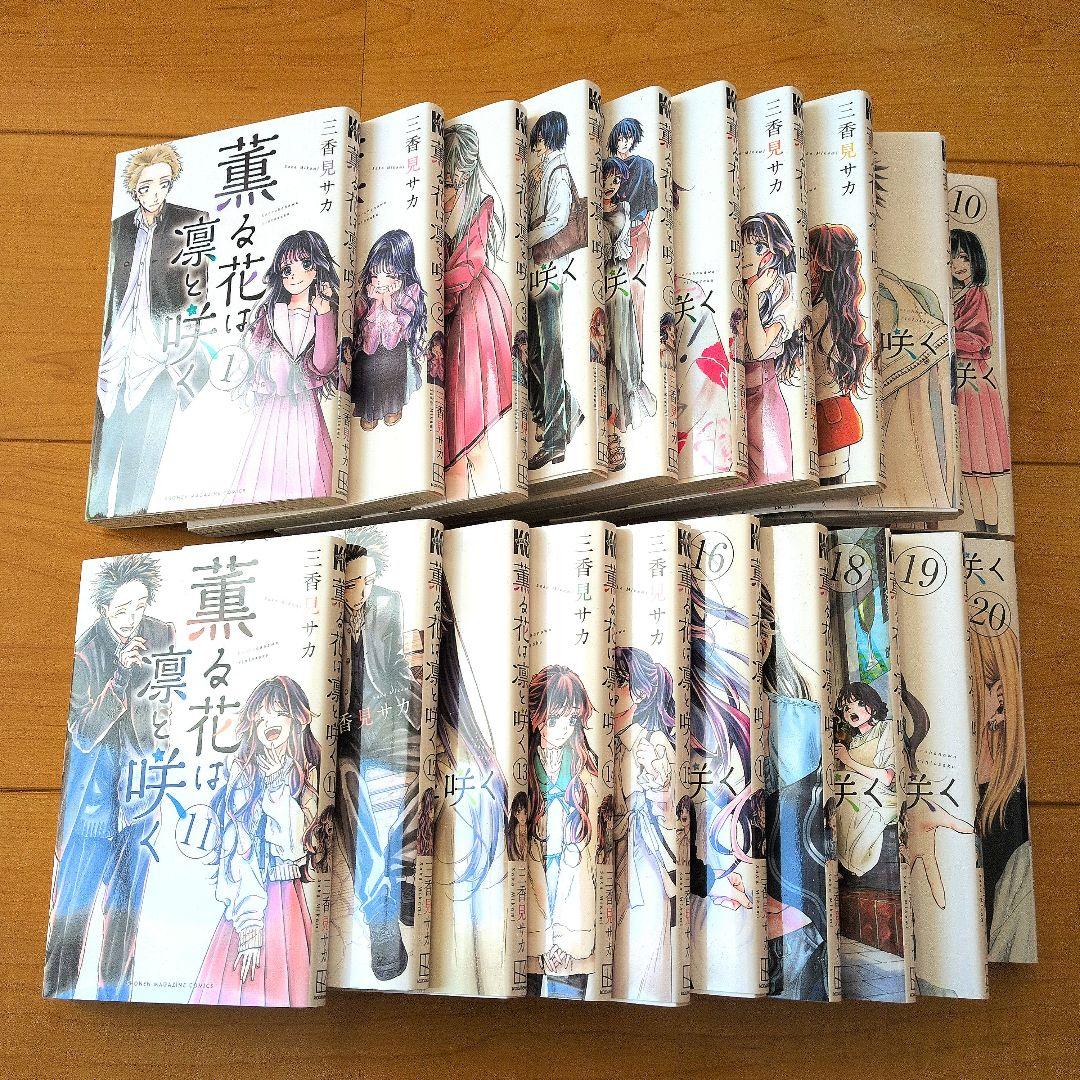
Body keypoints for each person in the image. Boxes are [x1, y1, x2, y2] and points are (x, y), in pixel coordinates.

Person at [44, 555, 173, 1000]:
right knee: (69, 923)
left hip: (139, 803)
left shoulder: (160, 634)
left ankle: (116, 1002)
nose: (133, 617)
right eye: (122, 609)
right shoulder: (85, 651)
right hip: (92, 808)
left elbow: (168, 706)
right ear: (102, 609)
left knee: (125, 924)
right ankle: (60, 997)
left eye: (140, 605)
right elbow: (84, 734)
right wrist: (121, 677)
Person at [192, 677, 331, 1006]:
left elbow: (297, 846)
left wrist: (278, 785)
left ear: (297, 719)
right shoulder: (243, 775)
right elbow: (238, 853)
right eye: (261, 717)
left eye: (280, 713)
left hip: (288, 897)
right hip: (249, 904)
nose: (270, 723)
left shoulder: (309, 773)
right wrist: (250, 928)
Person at [87, 143, 210, 518]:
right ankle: (100, 511)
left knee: (142, 463)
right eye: (146, 187)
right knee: (103, 454)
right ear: (133, 189)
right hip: (115, 354)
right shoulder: (118, 228)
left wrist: (179, 346)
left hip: (161, 356)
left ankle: (130, 516)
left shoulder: (191, 221)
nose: (156, 194)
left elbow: (198, 295)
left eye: (163, 184)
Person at [334, 529, 422, 982]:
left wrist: (416, 706)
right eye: (353, 583)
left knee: (420, 773)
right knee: (352, 795)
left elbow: (398, 666)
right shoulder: (323, 608)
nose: (363, 591)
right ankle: (380, 914)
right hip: (341, 734)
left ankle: (403, 871)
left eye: (369, 581)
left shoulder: (387, 603)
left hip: (385, 718)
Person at [229, 230, 339, 503]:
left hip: (306, 405)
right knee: (264, 473)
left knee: (312, 477)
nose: (295, 275)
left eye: (306, 264)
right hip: (272, 406)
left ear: (318, 266)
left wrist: (324, 314)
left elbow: (324, 365)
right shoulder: (269, 313)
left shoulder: (324, 312)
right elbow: (252, 358)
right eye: (287, 269)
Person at [442, 123, 515, 498]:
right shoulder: (434, 195)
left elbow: (469, 262)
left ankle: (492, 506)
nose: (454, 178)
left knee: (470, 432)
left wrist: (439, 299)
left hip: (472, 314)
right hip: (449, 312)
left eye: (460, 170)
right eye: (450, 169)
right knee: (452, 440)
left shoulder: (480, 204)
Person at [526, 664, 599, 998]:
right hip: (536, 878)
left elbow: (591, 858)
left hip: (574, 886)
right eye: (554, 719)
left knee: (568, 1006)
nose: (564, 729)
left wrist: (567, 941)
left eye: (572, 720)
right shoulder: (524, 767)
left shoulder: (585, 769)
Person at [611, 646, 678, 1002]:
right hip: (612, 857)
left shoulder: (652, 746)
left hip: (643, 862)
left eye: (617, 682)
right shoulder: (607, 742)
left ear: (639, 692)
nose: (610, 691)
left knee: (643, 960)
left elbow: (671, 818)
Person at [526, 111, 585, 471]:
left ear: (545, 139)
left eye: (537, 141)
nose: (535, 147)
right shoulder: (547, 170)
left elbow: (557, 219)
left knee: (549, 353)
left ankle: (555, 441)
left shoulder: (558, 171)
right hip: (541, 272)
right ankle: (571, 411)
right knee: (537, 351)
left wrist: (525, 239)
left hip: (550, 272)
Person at [951, 227, 1011, 532]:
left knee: (982, 468)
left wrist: (946, 336)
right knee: (971, 470)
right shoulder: (957, 295)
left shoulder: (976, 294)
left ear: (975, 259)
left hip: (975, 384)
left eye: (963, 257)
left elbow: (981, 340)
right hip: (962, 385)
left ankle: (992, 531)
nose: (958, 265)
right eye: (952, 258)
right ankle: (982, 529)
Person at [740, 212, 806, 485]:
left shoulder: (784, 295)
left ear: (774, 255)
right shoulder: (737, 289)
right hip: (733, 395)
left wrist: (755, 293)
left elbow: (758, 349)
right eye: (743, 245)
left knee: (768, 480)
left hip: (764, 398)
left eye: (758, 248)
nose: (748, 255)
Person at [601, 157, 656, 469]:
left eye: (617, 180)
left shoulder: (624, 209)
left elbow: (621, 252)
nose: (611, 185)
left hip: (617, 283)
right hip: (596, 284)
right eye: (608, 178)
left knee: (621, 353)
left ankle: (615, 431)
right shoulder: (588, 210)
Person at [808, 224, 872, 485]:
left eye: (809, 255)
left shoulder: (821, 311)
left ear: (823, 264)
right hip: (834, 416)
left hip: (828, 419)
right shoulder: (838, 309)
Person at [351, 230, 428, 430]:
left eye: (389, 274)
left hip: (395, 352)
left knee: (392, 366)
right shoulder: (366, 292)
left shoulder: (410, 291)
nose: (380, 281)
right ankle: (370, 411)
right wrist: (376, 302)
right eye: (375, 274)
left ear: (402, 273)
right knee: (368, 366)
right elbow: (365, 335)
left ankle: (393, 408)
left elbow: (394, 336)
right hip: (369, 351)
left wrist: (386, 300)